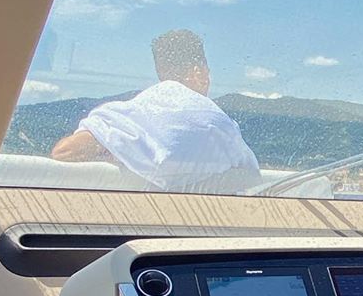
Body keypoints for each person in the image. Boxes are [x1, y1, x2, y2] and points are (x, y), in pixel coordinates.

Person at [50, 29, 260, 192]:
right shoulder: (221, 126)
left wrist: (117, 153)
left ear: (160, 70)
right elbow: (251, 179)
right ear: (200, 71)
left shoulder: (136, 115)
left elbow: (64, 152)